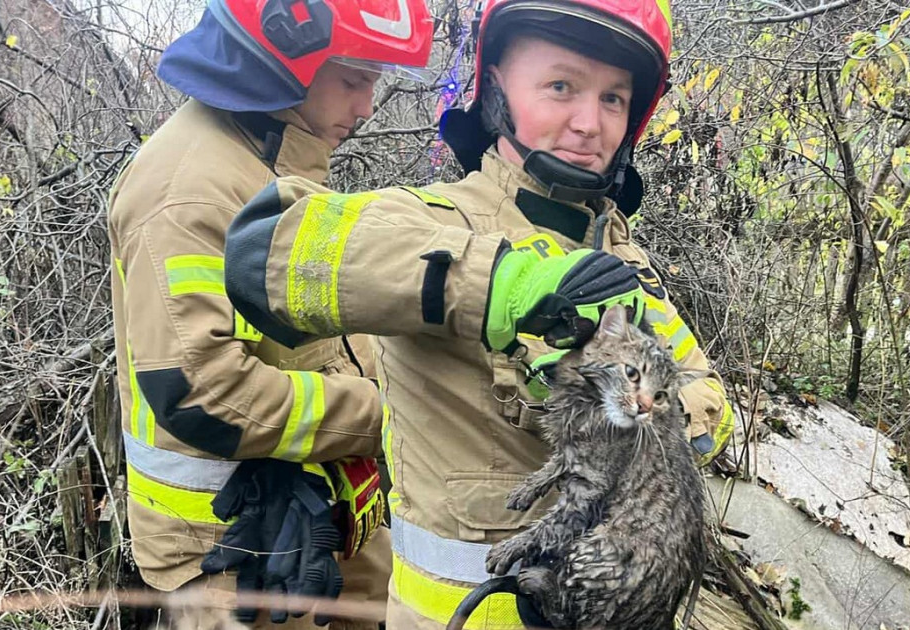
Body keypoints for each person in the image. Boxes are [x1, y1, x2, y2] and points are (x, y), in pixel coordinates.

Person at [223, 0, 736, 627]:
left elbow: (708, 402)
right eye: (560, 86)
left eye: (613, 99)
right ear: (494, 91)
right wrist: (501, 283)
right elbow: (262, 253)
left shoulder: (619, 255)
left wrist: (631, 419)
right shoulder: (434, 218)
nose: (588, 123)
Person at [106, 0, 431, 626]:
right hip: (232, 551)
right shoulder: (188, 191)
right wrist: (390, 418)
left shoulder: (271, 155)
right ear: (282, 56)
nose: (366, 107)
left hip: (317, 507)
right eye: (354, 79)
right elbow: (204, 391)